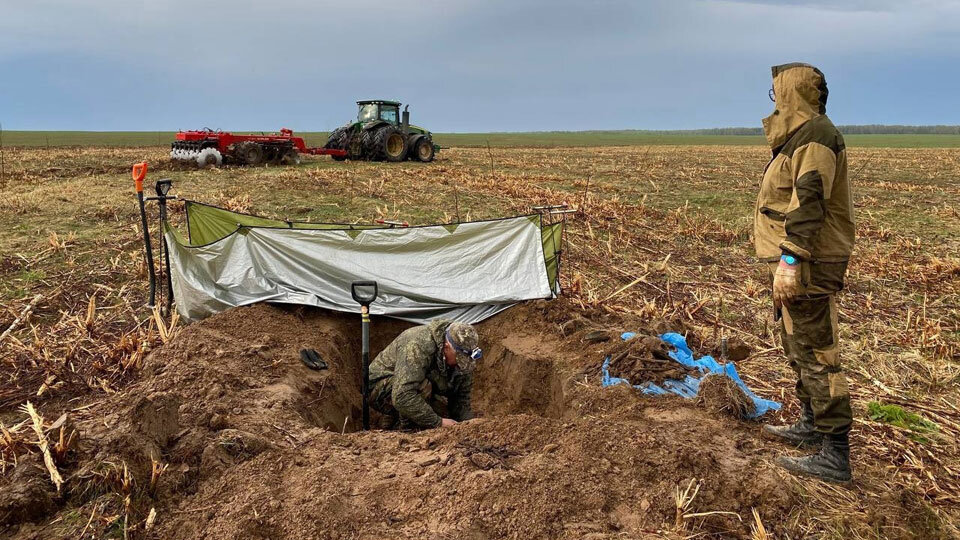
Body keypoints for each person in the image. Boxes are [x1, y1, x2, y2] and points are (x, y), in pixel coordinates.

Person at [754, 63, 855, 484]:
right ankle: (811, 425)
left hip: (808, 263)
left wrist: (790, 261)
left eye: (777, 93)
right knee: (799, 347)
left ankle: (835, 453)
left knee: (816, 353)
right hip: (800, 262)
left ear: (791, 94)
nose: (774, 102)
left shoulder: (815, 138)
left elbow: (809, 201)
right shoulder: (803, 137)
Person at [368, 320, 481, 429]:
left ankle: (394, 417)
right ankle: (405, 429)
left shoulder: (464, 360)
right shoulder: (418, 344)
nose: (460, 363)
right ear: (446, 347)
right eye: (459, 358)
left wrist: (468, 425)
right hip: (380, 388)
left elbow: (461, 400)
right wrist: (438, 422)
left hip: (410, 388)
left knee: (443, 413)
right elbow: (402, 395)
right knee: (424, 391)